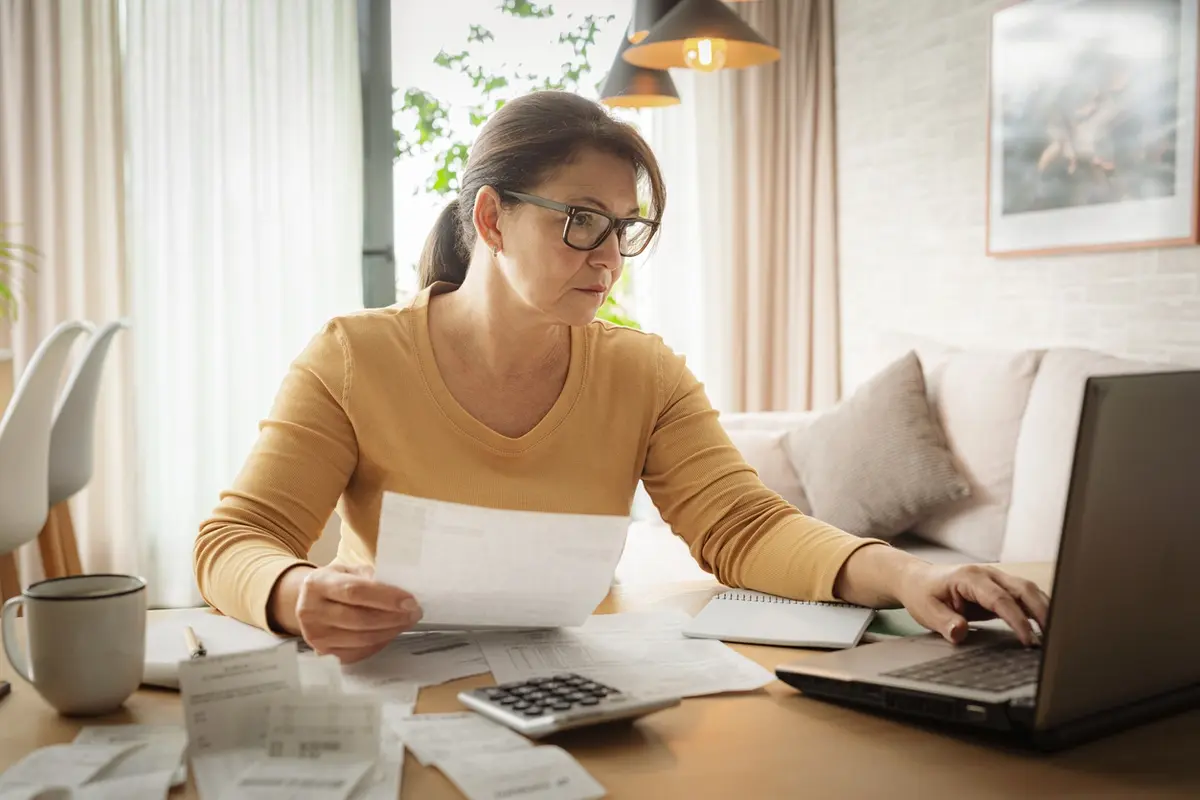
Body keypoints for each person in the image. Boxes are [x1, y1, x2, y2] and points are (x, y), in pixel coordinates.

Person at [195, 90, 1049, 664]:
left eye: (624, 228)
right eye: (580, 221)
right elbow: (233, 542)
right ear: (491, 218)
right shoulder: (356, 356)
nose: (608, 257)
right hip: (398, 678)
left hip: (574, 679)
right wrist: (294, 588)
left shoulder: (642, 371)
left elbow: (743, 529)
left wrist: (907, 574)